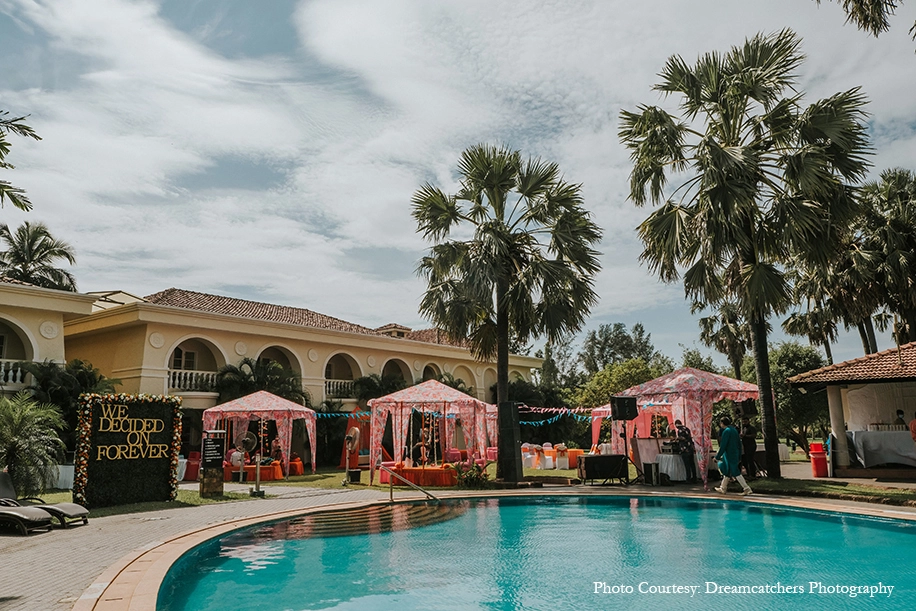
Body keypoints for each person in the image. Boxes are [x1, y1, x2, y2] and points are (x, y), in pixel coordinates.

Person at [715, 416, 753, 495]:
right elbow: (739, 443)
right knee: (728, 471)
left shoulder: (726, 431)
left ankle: (746, 488)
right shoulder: (734, 430)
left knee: (735, 471)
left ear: (722, 423)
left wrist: (717, 457)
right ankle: (723, 487)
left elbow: (723, 445)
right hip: (735, 453)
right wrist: (739, 454)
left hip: (729, 454)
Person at [674, 420, 697, 484]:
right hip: (690, 448)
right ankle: (694, 478)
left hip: (684, 449)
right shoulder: (687, 429)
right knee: (692, 464)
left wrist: (677, 439)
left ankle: (688, 478)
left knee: (687, 465)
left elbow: (683, 438)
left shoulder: (680, 430)